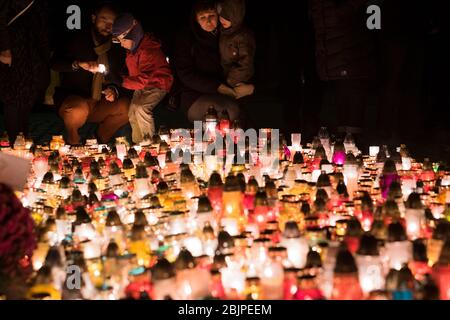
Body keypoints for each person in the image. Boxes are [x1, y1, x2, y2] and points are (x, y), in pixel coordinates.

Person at [52, 2, 130, 145]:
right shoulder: (77, 39)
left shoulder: (116, 46)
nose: (108, 25)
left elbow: (118, 77)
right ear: (94, 18)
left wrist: (113, 90)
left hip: (99, 102)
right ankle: (74, 142)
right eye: (104, 19)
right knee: (76, 110)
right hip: (74, 99)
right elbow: (55, 63)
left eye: (112, 22)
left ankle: (100, 139)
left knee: (127, 108)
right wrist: (78, 64)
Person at [309, 0, 375, 139]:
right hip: (340, 53)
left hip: (347, 52)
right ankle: (347, 142)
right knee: (344, 100)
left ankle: (349, 143)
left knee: (349, 99)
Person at [173, 0, 240, 123]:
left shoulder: (227, 35)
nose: (208, 21)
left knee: (238, 113)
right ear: (196, 19)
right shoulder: (187, 38)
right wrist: (218, 87)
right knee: (226, 112)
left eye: (211, 16)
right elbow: (186, 74)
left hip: (227, 91)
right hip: (195, 94)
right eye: (202, 17)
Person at [112, 13, 173, 144]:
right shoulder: (133, 49)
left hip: (158, 84)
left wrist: (121, 81)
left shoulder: (148, 51)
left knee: (141, 109)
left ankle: (150, 144)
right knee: (132, 111)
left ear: (133, 34)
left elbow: (143, 79)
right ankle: (139, 143)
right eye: (119, 41)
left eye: (123, 40)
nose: (121, 44)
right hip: (143, 85)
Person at [0, 0, 50, 144]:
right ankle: (13, 144)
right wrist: (4, 48)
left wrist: (46, 57)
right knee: (12, 99)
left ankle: (22, 142)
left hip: (31, 48)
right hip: (13, 46)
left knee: (27, 98)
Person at [217, 0, 255, 99]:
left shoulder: (243, 36)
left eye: (227, 17)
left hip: (238, 82)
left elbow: (246, 63)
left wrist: (231, 81)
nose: (222, 19)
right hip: (224, 80)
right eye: (221, 15)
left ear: (236, 16)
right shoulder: (223, 32)